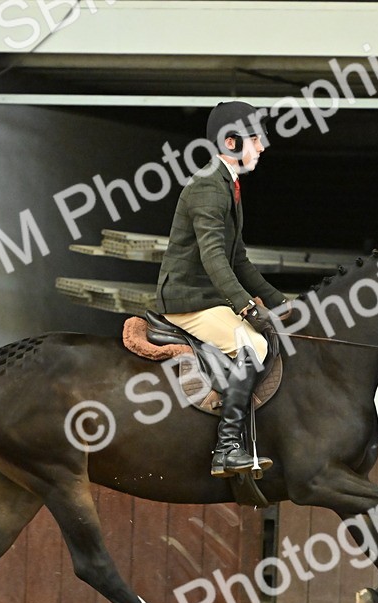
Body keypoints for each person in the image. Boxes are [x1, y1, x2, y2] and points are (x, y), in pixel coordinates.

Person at [155, 100, 287, 478]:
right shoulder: (209, 188)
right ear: (231, 141)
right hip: (188, 300)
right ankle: (227, 448)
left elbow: (239, 259)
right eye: (256, 139)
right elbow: (215, 258)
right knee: (255, 344)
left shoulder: (226, 184)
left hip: (207, 298)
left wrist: (282, 303)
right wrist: (247, 308)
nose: (262, 146)